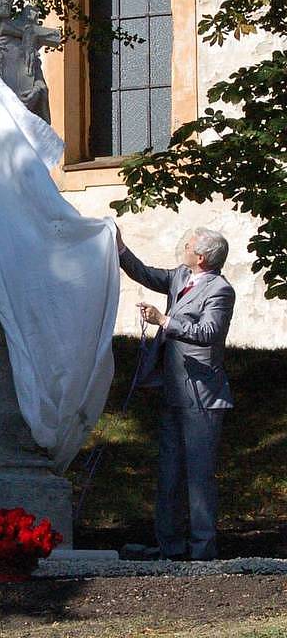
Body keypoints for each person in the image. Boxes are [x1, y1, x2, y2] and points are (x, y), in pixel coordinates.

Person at [117, 226, 235, 561]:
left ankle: (202, 549)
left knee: (199, 475)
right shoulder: (181, 275)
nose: (182, 246)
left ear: (201, 257)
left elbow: (209, 332)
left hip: (202, 396)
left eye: (187, 245)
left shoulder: (220, 290)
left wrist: (165, 320)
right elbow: (146, 274)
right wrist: (121, 249)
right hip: (173, 391)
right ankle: (168, 546)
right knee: (168, 472)